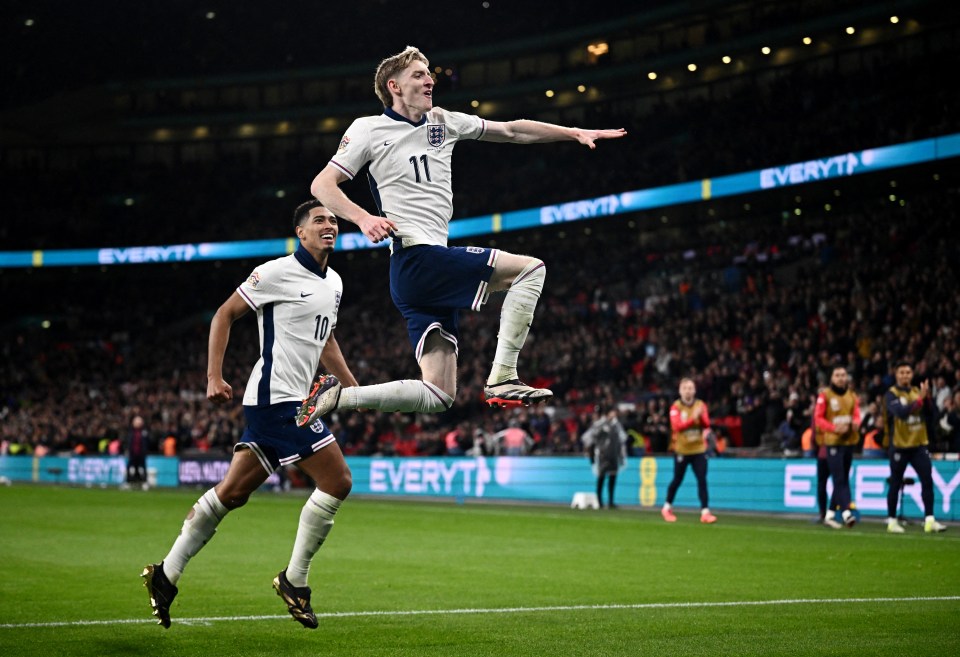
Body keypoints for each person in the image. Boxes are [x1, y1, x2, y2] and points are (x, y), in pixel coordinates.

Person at [298, 45, 626, 425]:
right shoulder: (369, 129)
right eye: (418, 74)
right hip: (415, 258)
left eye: (428, 73)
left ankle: (340, 397)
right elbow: (322, 184)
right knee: (530, 270)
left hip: (421, 270)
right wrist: (364, 218)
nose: (429, 79)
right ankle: (503, 376)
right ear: (394, 86)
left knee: (438, 394)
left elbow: (511, 131)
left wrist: (571, 131)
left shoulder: (443, 121)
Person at [141, 200, 359, 629]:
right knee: (338, 480)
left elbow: (326, 340)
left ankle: (166, 574)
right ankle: (294, 580)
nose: (329, 225)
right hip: (275, 399)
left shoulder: (334, 282)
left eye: (333, 220)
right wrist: (213, 377)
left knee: (232, 493)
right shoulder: (273, 273)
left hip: (293, 401)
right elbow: (225, 314)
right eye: (319, 220)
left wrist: (353, 388)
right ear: (301, 232)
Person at [882, 360, 947, 534]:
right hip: (899, 446)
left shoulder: (918, 391)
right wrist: (920, 400)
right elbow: (901, 414)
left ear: (912, 375)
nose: (905, 375)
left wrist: (928, 399)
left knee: (927, 481)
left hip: (918, 445)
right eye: (901, 372)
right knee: (895, 483)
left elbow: (932, 415)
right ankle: (892, 521)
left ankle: (929, 520)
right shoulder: (891, 394)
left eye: (908, 372)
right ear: (896, 375)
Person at [661, 379, 717, 523]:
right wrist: (694, 418)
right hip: (682, 450)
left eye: (690, 388)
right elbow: (677, 426)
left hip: (698, 449)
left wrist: (701, 416)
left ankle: (705, 512)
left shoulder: (700, 405)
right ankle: (667, 507)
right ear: (680, 391)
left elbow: (706, 424)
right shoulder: (675, 407)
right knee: (677, 479)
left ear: (695, 390)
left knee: (702, 479)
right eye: (685, 388)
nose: (688, 390)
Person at [814, 367, 861, 529]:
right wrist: (834, 428)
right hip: (832, 442)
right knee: (839, 478)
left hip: (848, 441)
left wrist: (856, 423)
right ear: (831, 378)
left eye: (843, 375)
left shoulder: (852, 396)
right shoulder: (825, 396)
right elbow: (818, 418)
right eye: (837, 375)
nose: (841, 378)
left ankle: (830, 514)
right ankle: (847, 512)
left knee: (842, 478)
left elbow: (856, 414)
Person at [581, 406, 628, 509]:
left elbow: (623, 439)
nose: (614, 414)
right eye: (612, 412)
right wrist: (592, 453)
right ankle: (599, 501)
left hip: (613, 455)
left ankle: (611, 501)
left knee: (612, 478)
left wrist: (622, 456)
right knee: (601, 478)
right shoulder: (599, 424)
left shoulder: (616, 425)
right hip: (602, 456)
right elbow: (588, 438)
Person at [125, 415, 150, 490]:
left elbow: (147, 442)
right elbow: (128, 442)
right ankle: (128, 482)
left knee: (143, 468)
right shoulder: (130, 432)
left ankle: (144, 482)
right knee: (129, 468)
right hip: (132, 453)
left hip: (141, 454)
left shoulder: (144, 432)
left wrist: (145, 451)